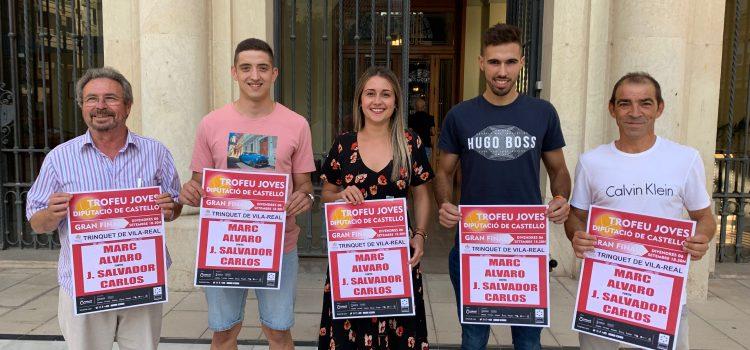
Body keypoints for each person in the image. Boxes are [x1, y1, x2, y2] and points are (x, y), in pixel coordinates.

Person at [434, 23, 571, 350]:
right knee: (473, 338)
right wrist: (445, 203)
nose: (502, 71)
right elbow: (443, 171)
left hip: (525, 244)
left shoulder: (542, 113)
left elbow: (559, 168)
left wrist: (561, 196)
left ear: (521, 63)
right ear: (481, 62)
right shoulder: (460, 116)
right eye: (494, 62)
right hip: (473, 243)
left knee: (527, 341)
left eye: (510, 62)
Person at [26, 67, 182, 350]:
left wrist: (170, 209)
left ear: (127, 106)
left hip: (141, 281)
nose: (100, 106)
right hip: (84, 286)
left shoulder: (155, 152)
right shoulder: (59, 159)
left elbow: (175, 204)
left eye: (110, 98)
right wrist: (52, 214)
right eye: (91, 99)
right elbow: (36, 222)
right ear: (82, 106)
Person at [179, 38, 315, 350]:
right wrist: (190, 191)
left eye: (262, 68)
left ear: (274, 73)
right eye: (246, 68)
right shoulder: (211, 124)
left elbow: (305, 185)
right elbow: (198, 184)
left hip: (280, 245)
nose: (255, 75)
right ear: (234, 73)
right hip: (224, 246)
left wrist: (304, 198)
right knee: (224, 332)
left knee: (278, 332)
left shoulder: (297, 124)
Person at [564, 72, 716, 350]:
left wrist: (702, 239)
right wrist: (576, 234)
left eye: (645, 103)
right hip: (605, 293)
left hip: (663, 296)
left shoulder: (685, 158)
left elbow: (704, 217)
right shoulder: (591, 161)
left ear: (660, 108)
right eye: (625, 103)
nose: (635, 112)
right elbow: (576, 216)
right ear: (612, 109)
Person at [317, 66, 433, 350]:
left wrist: (420, 234)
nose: (377, 101)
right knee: (349, 337)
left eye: (385, 94)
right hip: (351, 260)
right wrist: (341, 195)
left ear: (395, 102)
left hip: (395, 258)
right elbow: (326, 194)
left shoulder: (409, 143)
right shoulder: (344, 144)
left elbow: (421, 193)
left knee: (398, 334)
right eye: (370, 94)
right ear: (360, 99)